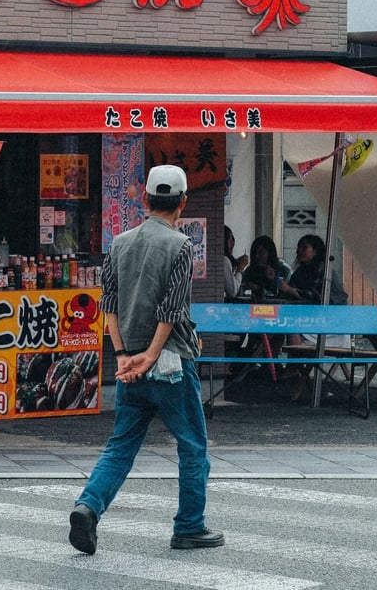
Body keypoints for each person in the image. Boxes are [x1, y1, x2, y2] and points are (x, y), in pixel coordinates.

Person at [69, 165, 223, 554]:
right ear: (183, 203)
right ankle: (189, 526)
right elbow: (171, 311)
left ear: (146, 199)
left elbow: (109, 306)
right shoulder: (181, 246)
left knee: (121, 444)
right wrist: (151, 356)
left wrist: (124, 357)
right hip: (171, 363)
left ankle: (88, 506)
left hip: (129, 366)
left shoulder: (119, 243)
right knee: (192, 445)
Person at [278, 233, 347, 305]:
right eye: (298, 247)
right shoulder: (300, 272)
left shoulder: (323, 270)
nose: (299, 250)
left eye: (304, 247)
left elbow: (316, 297)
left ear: (315, 251)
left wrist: (290, 290)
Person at [240, 235, 292, 301]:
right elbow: (237, 286)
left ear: (270, 253)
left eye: (260, 252)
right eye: (254, 252)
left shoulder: (284, 270)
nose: (256, 256)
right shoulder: (250, 270)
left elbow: (283, 295)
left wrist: (259, 288)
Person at [223, 226, 250, 301]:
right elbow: (232, 291)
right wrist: (240, 269)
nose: (232, 244)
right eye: (231, 241)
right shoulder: (225, 261)